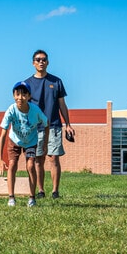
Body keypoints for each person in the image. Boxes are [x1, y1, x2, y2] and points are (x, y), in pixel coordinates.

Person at [25, 49, 75, 199]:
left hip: (53, 125)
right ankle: (41, 190)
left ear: (48, 62)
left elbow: (62, 104)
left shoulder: (56, 81)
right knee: (38, 160)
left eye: (44, 59)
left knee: (53, 158)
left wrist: (68, 124)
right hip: (35, 128)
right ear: (33, 63)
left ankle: (55, 191)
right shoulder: (27, 84)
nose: (41, 62)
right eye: (38, 59)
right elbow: (24, 107)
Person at [0, 81, 49, 207]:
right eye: (17, 94)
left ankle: (32, 197)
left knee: (30, 166)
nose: (20, 97)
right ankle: (11, 197)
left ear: (29, 96)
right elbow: (3, 134)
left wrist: (45, 144)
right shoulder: (11, 110)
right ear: (13, 96)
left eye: (24, 94)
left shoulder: (35, 110)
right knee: (12, 164)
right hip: (14, 141)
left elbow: (46, 124)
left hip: (31, 142)